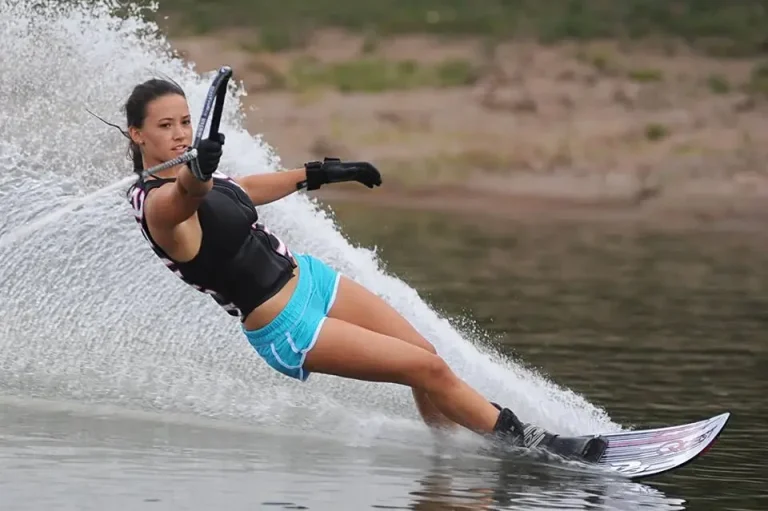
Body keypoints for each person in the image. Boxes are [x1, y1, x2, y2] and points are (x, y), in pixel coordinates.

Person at [122, 77, 607, 463]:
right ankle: (531, 444)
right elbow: (189, 196)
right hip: (286, 324)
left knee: (423, 354)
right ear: (137, 134)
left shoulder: (201, 173)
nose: (181, 133)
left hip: (310, 280)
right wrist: (197, 172)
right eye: (166, 126)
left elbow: (242, 188)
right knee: (427, 369)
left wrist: (321, 172)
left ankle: (452, 450)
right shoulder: (157, 205)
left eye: (185, 122)